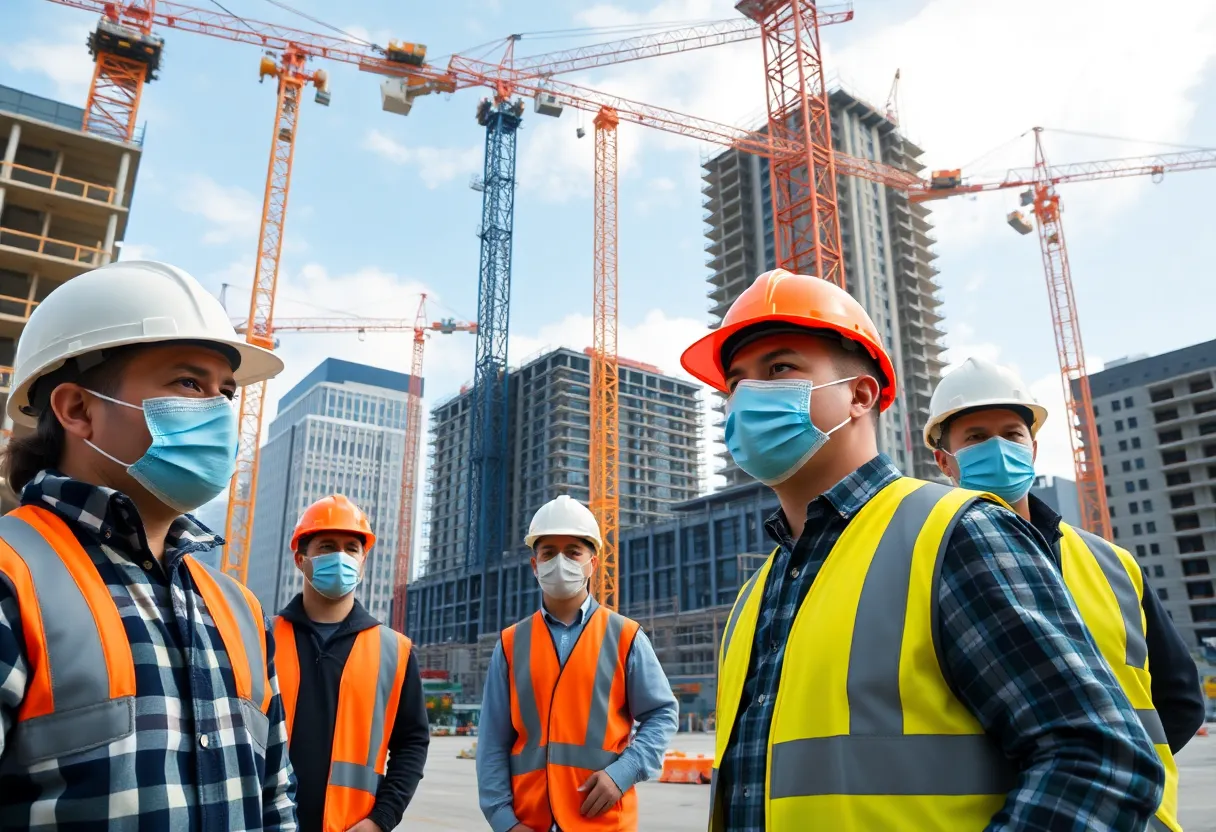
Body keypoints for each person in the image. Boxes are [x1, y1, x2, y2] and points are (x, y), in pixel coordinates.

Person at [681, 268, 1166, 832]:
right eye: (736, 383)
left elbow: (1101, 760)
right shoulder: (754, 595)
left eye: (779, 369)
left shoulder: (957, 533)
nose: (747, 397)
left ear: (860, 395)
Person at [0, 260, 296, 829]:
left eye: (225, 393)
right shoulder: (10, 576)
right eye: (189, 383)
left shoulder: (239, 610)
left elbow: (276, 798)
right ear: (77, 410)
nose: (218, 412)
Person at [926, 355, 1205, 832]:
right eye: (975, 437)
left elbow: (1179, 702)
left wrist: (1108, 783)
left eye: (1012, 434)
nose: (997, 447)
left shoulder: (1113, 564)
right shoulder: (923, 559)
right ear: (943, 460)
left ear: (1032, 448)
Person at [476, 495, 679, 832]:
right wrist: (503, 820)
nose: (560, 561)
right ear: (534, 564)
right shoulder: (510, 644)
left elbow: (661, 713)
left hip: (602, 820)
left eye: (572, 552)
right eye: (548, 553)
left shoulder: (625, 636)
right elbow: (492, 742)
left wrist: (624, 772)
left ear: (593, 564)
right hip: (529, 822)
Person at [273, 494, 430, 832]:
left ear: (362, 562)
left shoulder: (395, 651)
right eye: (327, 546)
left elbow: (412, 744)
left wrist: (380, 820)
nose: (340, 557)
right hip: (265, 822)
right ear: (301, 560)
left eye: (351, 548)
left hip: (351, 826)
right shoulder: (261, 638)